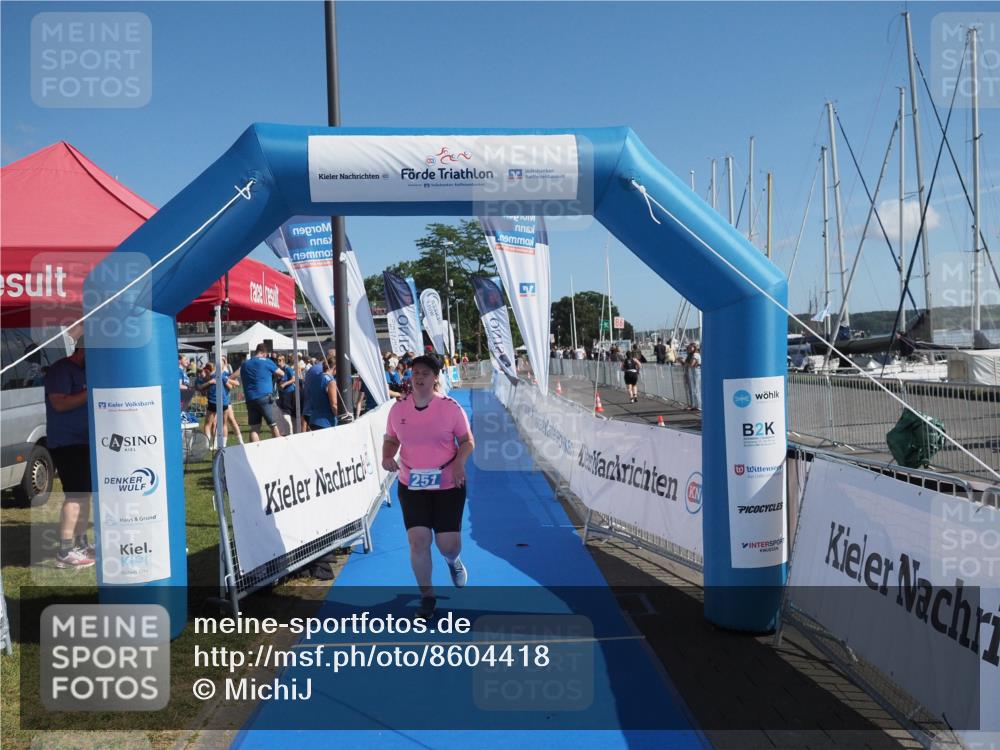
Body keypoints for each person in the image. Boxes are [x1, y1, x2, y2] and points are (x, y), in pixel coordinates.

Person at [381, 355, 474, 619]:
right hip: (411, 483)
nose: (418, 377)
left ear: (435, 378)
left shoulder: (450, 407)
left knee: (448, 545)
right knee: (418, 540)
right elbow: (390, 439)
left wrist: (459, 463)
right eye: (415, 373)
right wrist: (387, 456)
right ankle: (427, 596)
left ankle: (452, 561)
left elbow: (467, 441)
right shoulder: (398, 409)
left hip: (448, 483)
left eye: (424, 373)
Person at [45, 338, 94, 568]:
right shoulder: (61, 370)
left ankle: (81, 543)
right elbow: (59, 403)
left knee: (85, 494)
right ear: (83, 350)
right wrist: (89, 392)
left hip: (84, 441)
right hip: (66, 443)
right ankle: (64, 551)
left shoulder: (83, 371)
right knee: (75, 495)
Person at [238, 343, 282, 442]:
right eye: (266, 354)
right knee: (273, 425)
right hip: (265, 397)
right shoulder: (266, 361)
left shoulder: (245, 364)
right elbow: (281, 373)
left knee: (254, 428)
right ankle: (279, 449)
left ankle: (254, 453)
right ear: (263, 353)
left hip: (250, 398)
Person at [198, 362, 243, 447]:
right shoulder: (217, 376)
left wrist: (226, 380)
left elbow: (201, 388)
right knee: (221, 424)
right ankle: (217, 444)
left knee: (209, 424)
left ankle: (211, 444)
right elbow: (230, 387)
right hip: (223, 402)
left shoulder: (216, 376)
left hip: (216, 402)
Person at [305, 353, 338, 429]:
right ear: (335, 368)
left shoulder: (315, 378)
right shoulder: (331, 381)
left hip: (313, 419)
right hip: (326, 422)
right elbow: (334, 405)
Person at [683, 342, 702, 411]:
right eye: (689, 348)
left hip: (696, 372)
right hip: (693, 373)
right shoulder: (691, 355)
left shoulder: (695, 354)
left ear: (694, 348)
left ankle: (699, 405)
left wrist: (686, 363)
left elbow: (692, 364)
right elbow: (689, 364)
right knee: (693, 389)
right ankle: (694, 405)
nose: (689, 349)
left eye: (691, 348)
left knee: (697, 389)